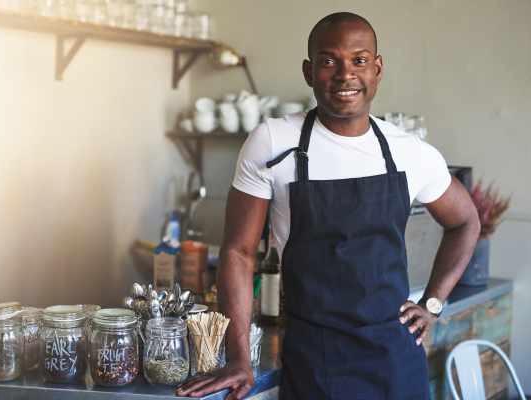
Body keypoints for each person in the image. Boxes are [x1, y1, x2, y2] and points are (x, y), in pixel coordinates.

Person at [177, 12, 480, 400]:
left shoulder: (409, 152)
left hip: (397, 361)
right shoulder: (272, 142)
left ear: (377, 68)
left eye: (359, 59)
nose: (344, 74)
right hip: (315, 359)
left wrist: (433, 303)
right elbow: (238, 252)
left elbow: (466, 221)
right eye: (328, 60)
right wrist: (239, 357)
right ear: (308, 71)